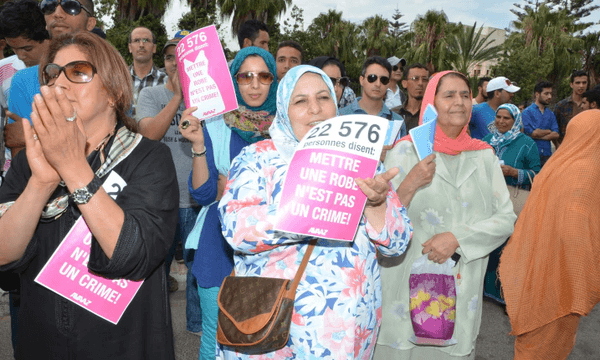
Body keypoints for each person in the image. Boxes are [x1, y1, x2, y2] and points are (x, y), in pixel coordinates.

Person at [0, 31, 178, 359]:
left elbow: (133, 253)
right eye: (52, 75)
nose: (60, 84)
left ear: (112, 92)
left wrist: (73, 167)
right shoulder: (30, 162)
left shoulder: (149, 158)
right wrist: (40, 183)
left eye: (78, 72)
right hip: (41, 344)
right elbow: (4, 256)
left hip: (124, 344)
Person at [216, 64, 413, 359]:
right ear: (284, 109)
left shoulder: (364, 163)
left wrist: (376, 204)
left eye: (323, 98)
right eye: (301, 101)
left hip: (348, 329)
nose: (315, 110)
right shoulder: (258, 158)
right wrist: (312, 207)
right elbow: (237, 231)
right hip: (274, 327)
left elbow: (398, 243)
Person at [375, 70, 516, 360]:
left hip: (461, 293)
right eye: (449, 95)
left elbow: (505, 219)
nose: (460, 102)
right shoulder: (407, 152)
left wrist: (457, 238)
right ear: (432, 103)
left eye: (465, 95)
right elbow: (380, 220)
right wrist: (411, 182)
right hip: (402, 293)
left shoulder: (484, 156)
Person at [179, 46, 279, 360]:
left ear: (273, 81)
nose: (254, 83)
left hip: (272, 251)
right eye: (245, 75)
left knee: (266, 340)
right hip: (218, 247)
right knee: (215, 340)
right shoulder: (214, 126)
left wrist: (232, 189)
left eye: (263, 76)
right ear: (233, 80)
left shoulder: (286, 128)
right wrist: (198, 145)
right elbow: (204, 194)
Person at [499, 110, 600, 360]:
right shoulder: (586, 171)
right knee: (548, 344)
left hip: (537, 266)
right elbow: (575, 229)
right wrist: (585, 281)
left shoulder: (558, 164)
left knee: (533, 341)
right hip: (562, 276)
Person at [135, 35, 202, 332]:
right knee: (155, 273)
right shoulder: (150, 95)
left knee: (197, 271)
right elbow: (149, 134)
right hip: (159, 200)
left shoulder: (206, 100)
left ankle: (197, 328)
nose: (176, 63)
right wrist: (178, 96)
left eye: (182, 57)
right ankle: (154, 332)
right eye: (170, 58)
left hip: (195, 199)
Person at [7, 0, 96, 157]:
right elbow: (20, 159)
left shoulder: (108, 72)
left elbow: (113, 136)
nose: (57, 13)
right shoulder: (22, 81)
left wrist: (32, 134)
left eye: (71, 6)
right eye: (49, 6)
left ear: (90, 23)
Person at [481, 103, 540, 304]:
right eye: (498, 117)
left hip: (512, 200)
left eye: (507, 118)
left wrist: (514, 172)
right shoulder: (487, 140)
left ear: (515, 121)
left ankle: (505, 292)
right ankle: (484, 288)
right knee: (487, 241)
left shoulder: (526, 143)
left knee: (508, 246)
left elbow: (538, 175)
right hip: (487, 200)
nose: (501, 122)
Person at [340, 56, 407, 160]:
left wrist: (391, 157)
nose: (378, 84)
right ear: (362, 80)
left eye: (383, 80)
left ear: (388, 84)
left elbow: (403, 161)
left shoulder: (398, 122)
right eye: (372, 78)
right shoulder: (341, 116)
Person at [128, 26, 166, 115]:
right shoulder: (118, 80)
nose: (141, 45)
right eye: (136, 40)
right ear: (130, 47)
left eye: (146, 40)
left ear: (154, 48)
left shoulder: (167, 81)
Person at [522, 81, 558, 167]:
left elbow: (556, 134)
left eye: (550, 93)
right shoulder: (527, 112)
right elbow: (532, 133)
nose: (549, 96)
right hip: (530, 154)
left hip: (546, 155)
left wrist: (538, 134)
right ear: (537, 94)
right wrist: (549, 131)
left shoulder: (550, 114)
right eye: (546, 93)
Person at [553, 70, 588, 146]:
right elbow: (554, 131)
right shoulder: (561, 106)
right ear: (571, 84)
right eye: (578, 83)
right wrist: (559, 148)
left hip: (586, 148)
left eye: (584, 83)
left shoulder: (591, 105)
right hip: (566, 147)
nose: (581, 86)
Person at [391, 63, 429, 132]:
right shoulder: (394, 114)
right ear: (404, 83)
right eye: (415, 79)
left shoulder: (433, 116)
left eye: (424, 79)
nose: (420, 83)